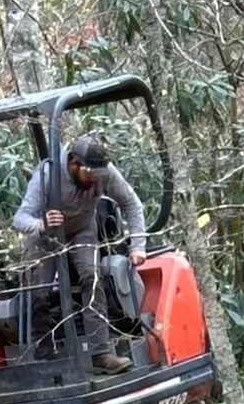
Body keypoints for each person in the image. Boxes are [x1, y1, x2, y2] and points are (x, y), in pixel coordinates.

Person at [12, 132, 148, 374]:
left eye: (99, 176)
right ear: (74, 164)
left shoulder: (105, 172)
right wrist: (40, 224)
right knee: (39, 289)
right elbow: (20, 218)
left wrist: (138, 245)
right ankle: (44, 355)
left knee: (91, 277)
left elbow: (131, 203)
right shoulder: (47, 175)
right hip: (46, 235)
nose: (96, 181)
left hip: (82, 228)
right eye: (90, 175)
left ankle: (101, 353)